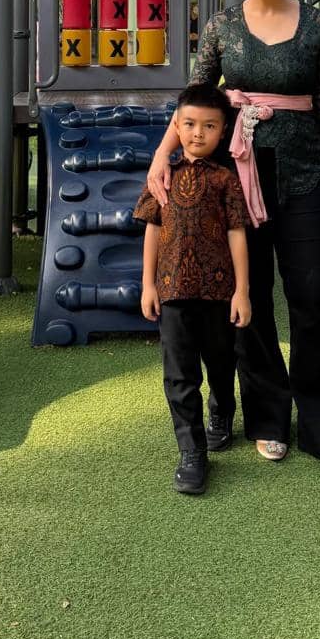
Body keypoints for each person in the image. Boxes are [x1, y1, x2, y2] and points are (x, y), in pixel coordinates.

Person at [146, 0, 320, 475]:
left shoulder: (318, 26)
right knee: (252, 299)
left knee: (313, 294)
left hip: (302, 176)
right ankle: (268, 419)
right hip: (237, 179)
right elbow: (195, 99)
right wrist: (162, 157)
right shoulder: (221, 26)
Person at [133, 83, 251, 495]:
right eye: (189, 124)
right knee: (179, 374)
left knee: (220, 362)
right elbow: (152, 230)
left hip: (218, 293)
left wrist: (242, 291)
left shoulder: (226, 180)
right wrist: (148, 285)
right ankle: (192, 452)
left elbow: (237, 233)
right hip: (172, 292)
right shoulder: (162, 177)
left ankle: (222, 410)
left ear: (223, 131)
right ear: (177, 127)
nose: (198, 133)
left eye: (209, 126)